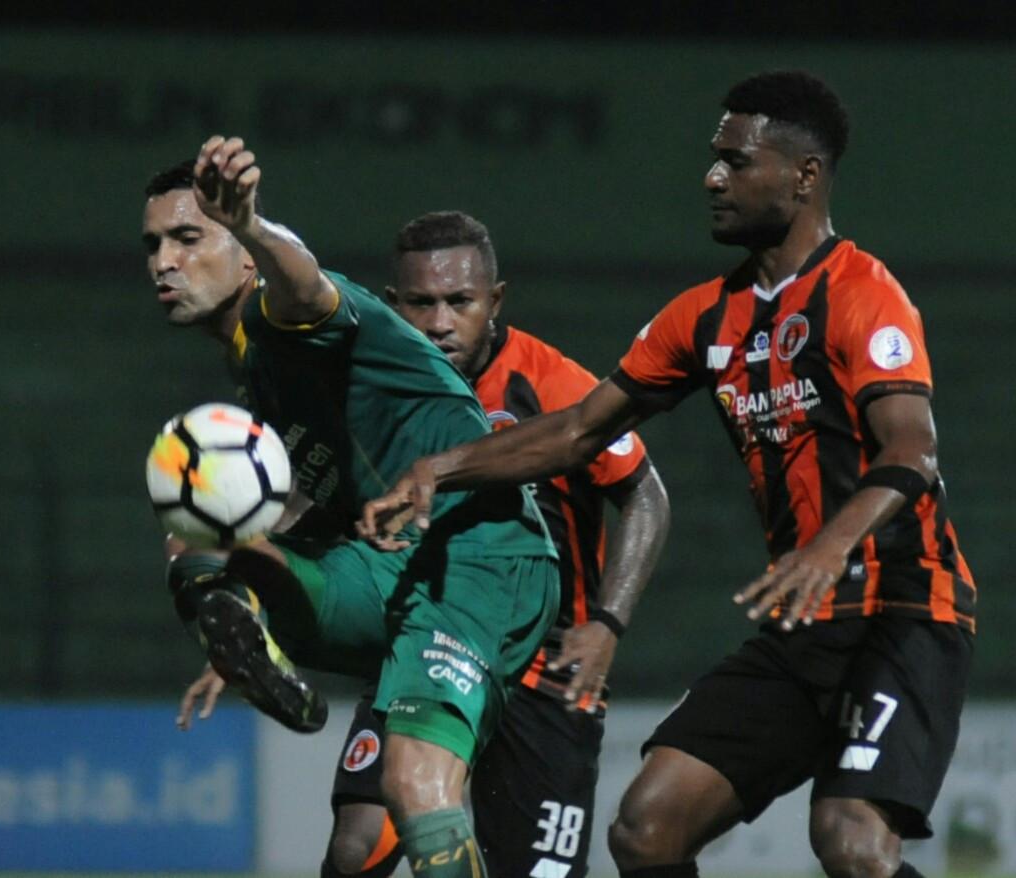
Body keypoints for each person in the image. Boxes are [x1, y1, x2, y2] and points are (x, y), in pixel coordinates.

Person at [360, 71, 975, 878]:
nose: (711, 177)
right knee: (647, 830)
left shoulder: (863, 294)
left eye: (735, 160)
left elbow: (910, 450)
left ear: (803, 176)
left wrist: (828, 548)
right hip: (803, 626)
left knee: (850, 839)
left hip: (902, 608)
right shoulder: (703, 316)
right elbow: (581, 429)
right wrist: (442, 467)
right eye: (713, 158)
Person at [146, 136, 560, 878]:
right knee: (194, 533)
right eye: (153, 245)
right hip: (389, 567)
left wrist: (253, 226)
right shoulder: (251, 362)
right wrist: (241, 606)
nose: (163, 262)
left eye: (187, 238)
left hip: (479, 554)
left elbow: (304, 284)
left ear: (241, 255)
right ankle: (257, 651)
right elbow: (312, 508)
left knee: (413, 782)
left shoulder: (283, 315)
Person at [317, 211, 669, 878]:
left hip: (544, 678)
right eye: (421, 303)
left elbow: (646, 494)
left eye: (459, 302)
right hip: (427, 643)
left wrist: (608, 622)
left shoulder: (552, 383)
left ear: (495, 301)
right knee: (355, 847)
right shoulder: (375, 395)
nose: (440, 322)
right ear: (394, 306)